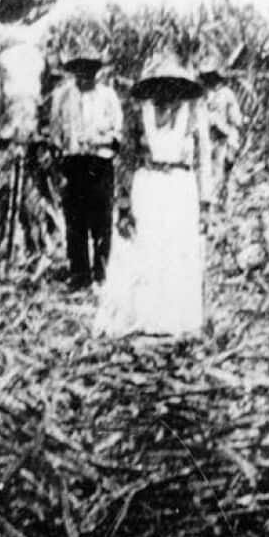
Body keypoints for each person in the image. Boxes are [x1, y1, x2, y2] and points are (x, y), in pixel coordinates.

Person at [94, 53, 212, 337]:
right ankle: (144, 317)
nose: (167, 90)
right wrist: (122, 204)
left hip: (181, 188)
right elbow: (126, 159)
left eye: (173, 84)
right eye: (161, 84)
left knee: (176, 251)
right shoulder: (138, 114)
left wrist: (206, 203)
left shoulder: (195, 114)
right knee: (145, 248)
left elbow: (204, 159)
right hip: (147, 186)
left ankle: (175, 320)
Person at [49, 48, 123, 290]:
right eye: (80, 69)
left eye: (90, 69)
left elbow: (118, 134)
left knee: (101, 219)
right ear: (73, 71)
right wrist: (62, 152)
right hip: (73, 163)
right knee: (75, 220)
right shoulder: (62, 96)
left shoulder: (108, 96)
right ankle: (79, 274)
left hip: (99, 162)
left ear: (96, 71)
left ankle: (101, 273)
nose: (85, 75)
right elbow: (55, 131)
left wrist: (99, 140)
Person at [198, 57, 244, 209]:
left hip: (221, 138)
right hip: (204, 138)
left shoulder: (226, 94)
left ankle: (217, 203)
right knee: (205, 171)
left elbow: (236, 120)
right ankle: (206, 203)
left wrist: (225, 128)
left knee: (219, 171)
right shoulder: (201, 94)